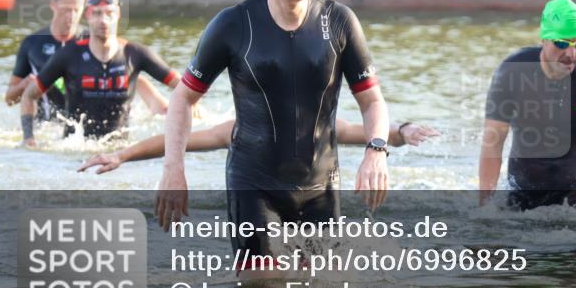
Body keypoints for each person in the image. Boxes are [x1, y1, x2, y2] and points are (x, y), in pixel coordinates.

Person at [154, 0, 390, 262]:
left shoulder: (340, 21)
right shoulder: (233, 24)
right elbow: (183, 98)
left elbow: (372, 102)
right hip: (254, 186)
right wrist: (173, 169)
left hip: (321, 185)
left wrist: (376, 151)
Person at [479, 0, 576, 211]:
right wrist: (485, 205)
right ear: (544, 39)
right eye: (561, 43)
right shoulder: (512, 71)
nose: (571, 54)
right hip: (524, 193)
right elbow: (493, 141)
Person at [19, 0, 182, 146]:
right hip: (74, 148)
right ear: (87, 16)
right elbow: (29, 95)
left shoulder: (134, 54)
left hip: (118, 150)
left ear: (118, 15)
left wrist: (191, 106)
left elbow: (183, 85)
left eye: (109, 13)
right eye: (97, 13)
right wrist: (28, 138)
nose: (103, 20)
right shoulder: (69, 55)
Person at [79, 119, 439, 174]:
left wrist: (403, 129)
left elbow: (368, 131)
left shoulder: (315, 124)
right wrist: (122, 154)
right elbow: (180, 141)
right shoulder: (239, 127)